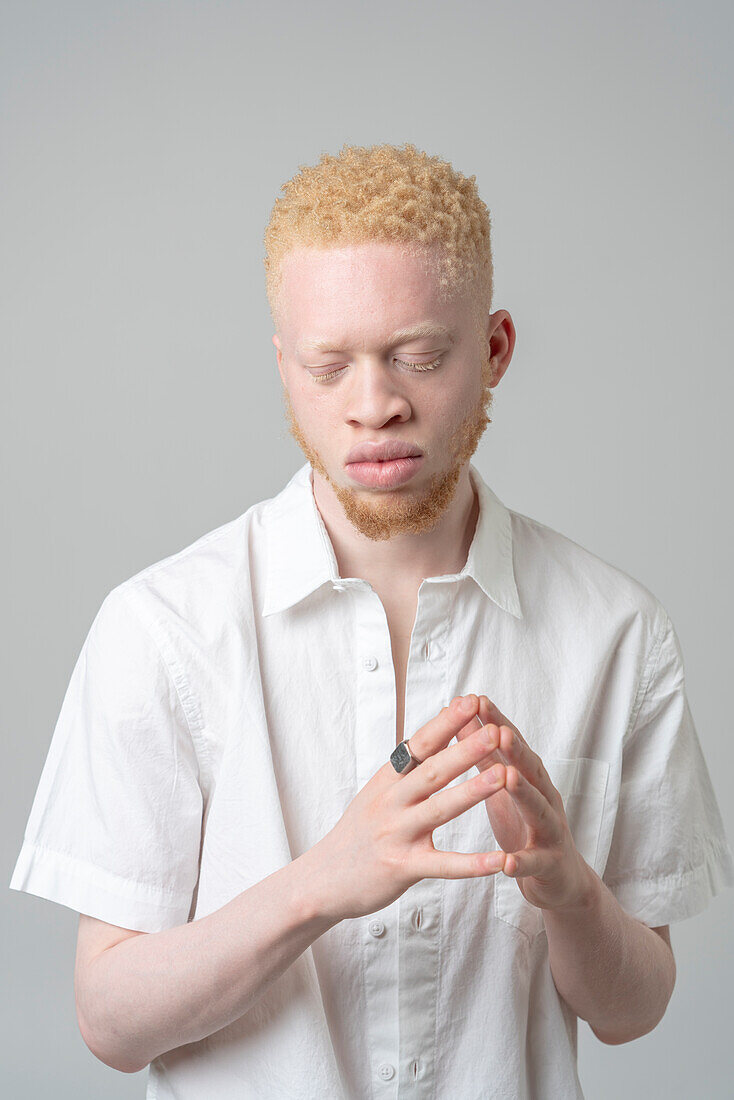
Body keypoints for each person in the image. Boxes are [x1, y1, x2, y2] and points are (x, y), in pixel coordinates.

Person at [9, 142, 734, 1100]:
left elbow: (634, 1009)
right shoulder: (161, 626)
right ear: (282, 366)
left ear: (496, 348)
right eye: (326, 367)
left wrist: (569, 890)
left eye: (419, 357)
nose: (375, 407)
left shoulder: (616, 632)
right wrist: (322, 883)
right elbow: (110, 1018)